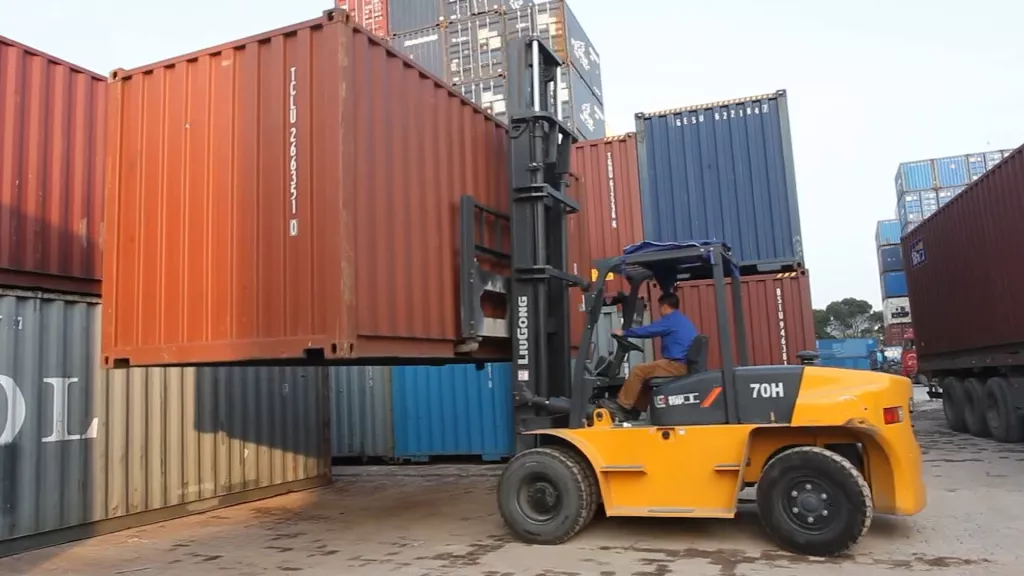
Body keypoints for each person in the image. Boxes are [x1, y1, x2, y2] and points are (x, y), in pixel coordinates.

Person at [597, 292, 698, 420]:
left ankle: (621, 406)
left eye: (660, 307)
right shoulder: (681, 320)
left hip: (677, 365)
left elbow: (649, 330)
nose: (660, 311)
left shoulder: (671, 320)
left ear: (665, 307)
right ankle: (635, 410)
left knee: (638, 370)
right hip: (680, 364)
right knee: (646, 374)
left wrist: (624, 332)